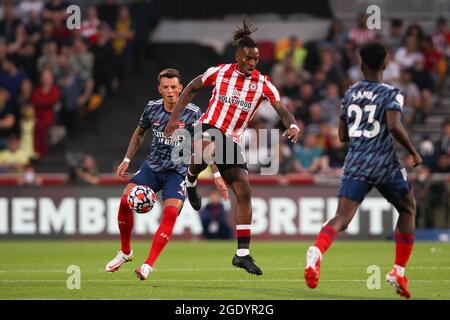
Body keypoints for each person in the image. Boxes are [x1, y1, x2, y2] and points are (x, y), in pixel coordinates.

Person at [164, 17, 301, 276]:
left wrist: (291, 125)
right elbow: (192, 87)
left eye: (255, 60)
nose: (252, 63)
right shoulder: (220, 72)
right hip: (208, 127)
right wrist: (175, 117)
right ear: (238, 56)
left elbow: (281, 108)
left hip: (233, 139)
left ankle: (242, 255)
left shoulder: (263, 83)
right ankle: (191, 178)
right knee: (209, 143)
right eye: (248, 58)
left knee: (244, 191)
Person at [303, 43, 423, 299]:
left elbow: (342, 134)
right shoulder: (391, 93)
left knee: (342, 218)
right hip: (384, 163)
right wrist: (413, 151)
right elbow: (393, 125)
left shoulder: (351, 92)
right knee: (408, 208)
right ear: (385, 64)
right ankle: (398, 271)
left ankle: (317, 250)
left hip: (355, 162)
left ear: (361, 65)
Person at [105, 68, 227, 281]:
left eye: (174, 87)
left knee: (170, 213)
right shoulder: (152, 108)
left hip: (178, 173)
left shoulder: (192, 112)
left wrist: (216, 175)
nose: (170, 91)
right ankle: (125, 252)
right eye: (166, 87)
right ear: (159, 89)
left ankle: (147, 265)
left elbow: (204, 147)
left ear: (181, 89)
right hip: (153, 167)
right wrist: (127, 159)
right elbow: (140, 131)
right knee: (125, 201)